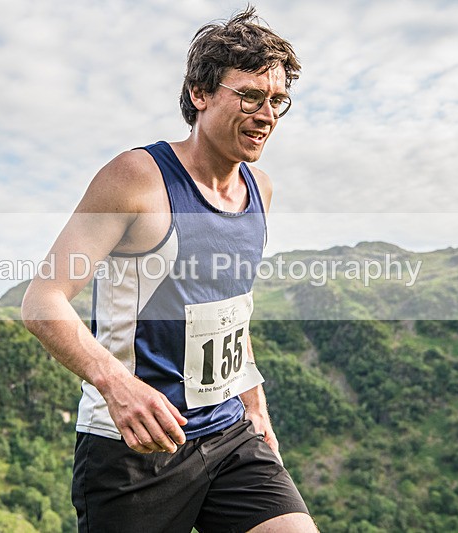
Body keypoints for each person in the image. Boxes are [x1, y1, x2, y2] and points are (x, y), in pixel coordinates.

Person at [21, 6, 317, 532]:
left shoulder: (261, 190)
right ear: (201, 93)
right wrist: (117, 385)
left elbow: (231, 313)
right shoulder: (137, 176)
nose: (267, 114)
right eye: (250, 96)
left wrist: (256, 406)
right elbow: (42, 301)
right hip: (135, 449)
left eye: (277, 101)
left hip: (229, 436)